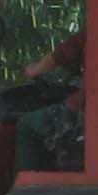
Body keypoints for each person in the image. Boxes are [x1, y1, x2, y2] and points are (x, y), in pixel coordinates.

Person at [15, 30, 84, 172]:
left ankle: (28, 182)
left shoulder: (94, 31)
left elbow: (58, 57)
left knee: (26, 124)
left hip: (83, 109)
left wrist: (33, 70)